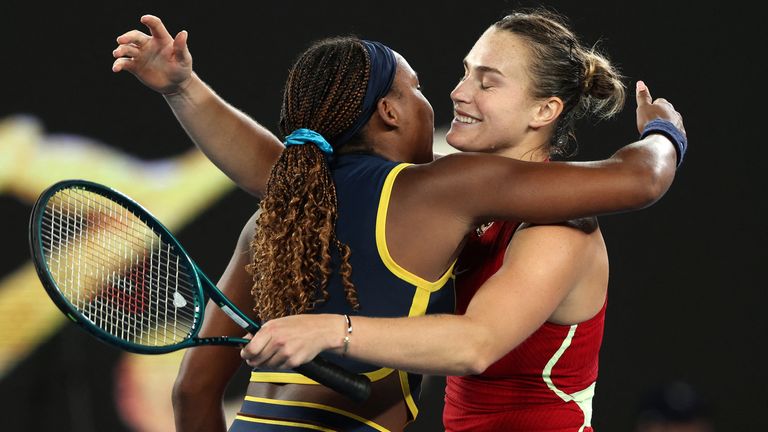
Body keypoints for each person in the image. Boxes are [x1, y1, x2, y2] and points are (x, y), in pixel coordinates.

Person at [112, 11, 686, 432]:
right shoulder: (442, 197)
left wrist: (665, 133)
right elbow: (279, 171)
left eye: (488, 81)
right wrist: (184, 88)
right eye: (464, 73)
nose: (458, 92)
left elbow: (478, 344)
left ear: (545, 111)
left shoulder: (557, 223)